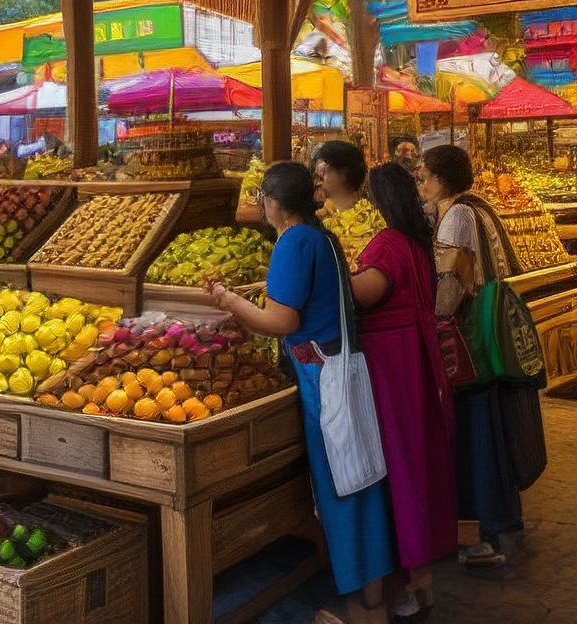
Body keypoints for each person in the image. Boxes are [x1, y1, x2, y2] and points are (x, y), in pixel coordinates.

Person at [211, 161, 395, 624]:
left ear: (272, 202)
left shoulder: (293, 241)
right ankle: (372, 601)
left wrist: (230, 301)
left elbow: (280, 322)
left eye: (260, 198)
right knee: (362, 478)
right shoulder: (323, 237)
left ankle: (360, 609)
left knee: (340, 486)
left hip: (321, 377)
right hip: (345, 369)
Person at [420, 143, 544, 559]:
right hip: (492, 336)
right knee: (491, 426)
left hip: (471, 339)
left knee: (476, 434)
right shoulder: (479, 207)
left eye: (424, 176)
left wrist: (436, 319)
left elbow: (452, 283)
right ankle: (500, 521)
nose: (420, 182)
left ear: (440, 179)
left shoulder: (457, 216)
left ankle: (483, 533)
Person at [350, 162, 458, 615]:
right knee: (417, 457)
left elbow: (365, 293)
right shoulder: (413, 240)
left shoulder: (388, 243)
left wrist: (330, 271)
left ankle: (411, 580)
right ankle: (420, 577)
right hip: (412, 356)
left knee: (399, 461)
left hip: (392, 362)